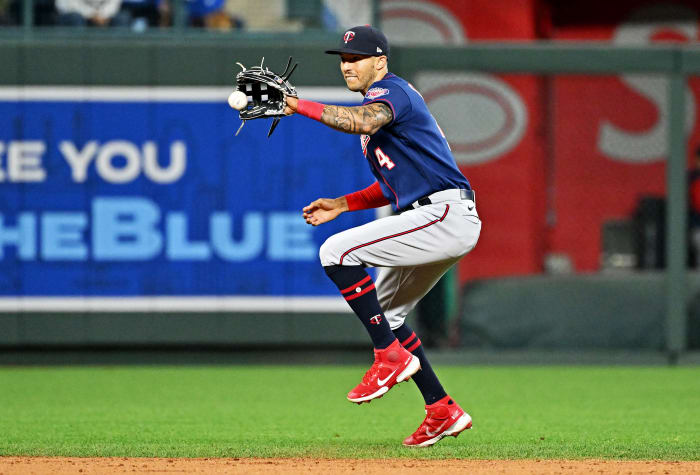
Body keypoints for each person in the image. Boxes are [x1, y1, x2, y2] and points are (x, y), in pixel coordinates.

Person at [284, 25, 481, 447]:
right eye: (342, 59)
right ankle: (441, 409)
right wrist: (342, 203)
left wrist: (294, 104)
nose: (346, 65)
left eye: (355, 58)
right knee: (388, 318)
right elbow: (391, 187)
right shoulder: (381, 115)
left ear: (381, 61)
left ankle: (388, 358)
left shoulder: (393, 93)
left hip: (443, 214)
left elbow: (357, 121)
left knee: (336, 251)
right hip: (433, 216)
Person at [55, 0, 130, 27]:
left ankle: (116, 56)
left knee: (122, 18)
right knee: (75, 18)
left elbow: (114, 3)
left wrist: (102, 15)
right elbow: (70, 4)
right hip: (76, 15)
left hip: (103, 17)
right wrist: (91, 14)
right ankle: (77, 55)